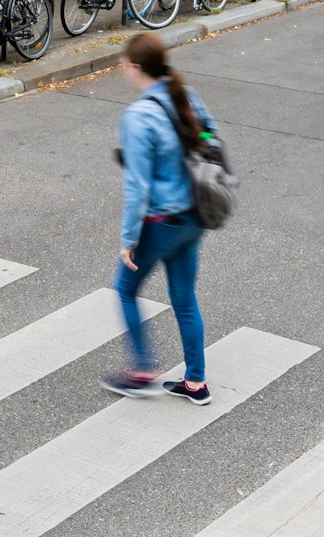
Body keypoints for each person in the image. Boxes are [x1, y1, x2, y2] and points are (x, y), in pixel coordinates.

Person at [105, 31, 219, 406]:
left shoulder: (138, 116)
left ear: (136, 67)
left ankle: (141, 372)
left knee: (125, 290)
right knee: (184, 300)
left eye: (124, 64)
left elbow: (137, 187)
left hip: (161, 223)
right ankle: (196, 382)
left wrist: (128, 239)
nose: (123, 69)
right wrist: (190, 147)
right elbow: (211, 135)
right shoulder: (184, 93)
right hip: (193, 216)